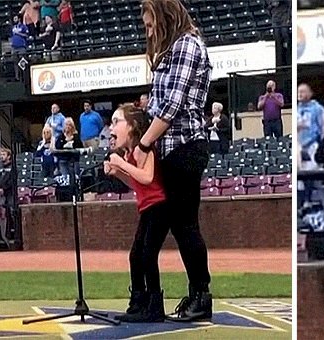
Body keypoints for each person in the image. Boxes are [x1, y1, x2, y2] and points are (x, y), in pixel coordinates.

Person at [133, 0, 213, 322]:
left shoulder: (186, 46)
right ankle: (157, 296)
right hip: (168, 150)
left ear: (165, 18)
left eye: (151, 25)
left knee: (185, 224)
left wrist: (143, 142)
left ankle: (201, 294)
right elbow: (156, 105)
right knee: (175, 226)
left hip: (184, 146)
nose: (149, 32)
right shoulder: (170, 51)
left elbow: (171, 107)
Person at [105, 104, 168, 323]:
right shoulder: (130, 153)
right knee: (136, 255)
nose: (111, 128)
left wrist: (122, 164)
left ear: (131, 126)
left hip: (159, 207)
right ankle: (138, 301)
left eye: (116, 122)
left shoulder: (145, 149)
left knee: (148, 255)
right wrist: (118, 173)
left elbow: (147, 178)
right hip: (148, 207)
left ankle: (154, 305)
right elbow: (136, 183)